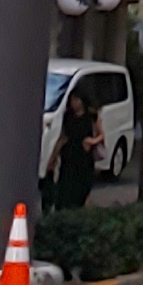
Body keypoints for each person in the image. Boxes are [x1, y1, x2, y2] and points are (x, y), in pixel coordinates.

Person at [49, 79, 100, 213]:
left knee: (80, 190)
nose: (74, 103)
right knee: (65, 188)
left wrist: (91, 141)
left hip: (83, 158)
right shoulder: (68, 116)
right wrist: (53, 157)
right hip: (69, 155)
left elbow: (101, 134)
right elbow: (63, 136)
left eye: (76, 100)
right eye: (72, 100)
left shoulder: (91, 117)